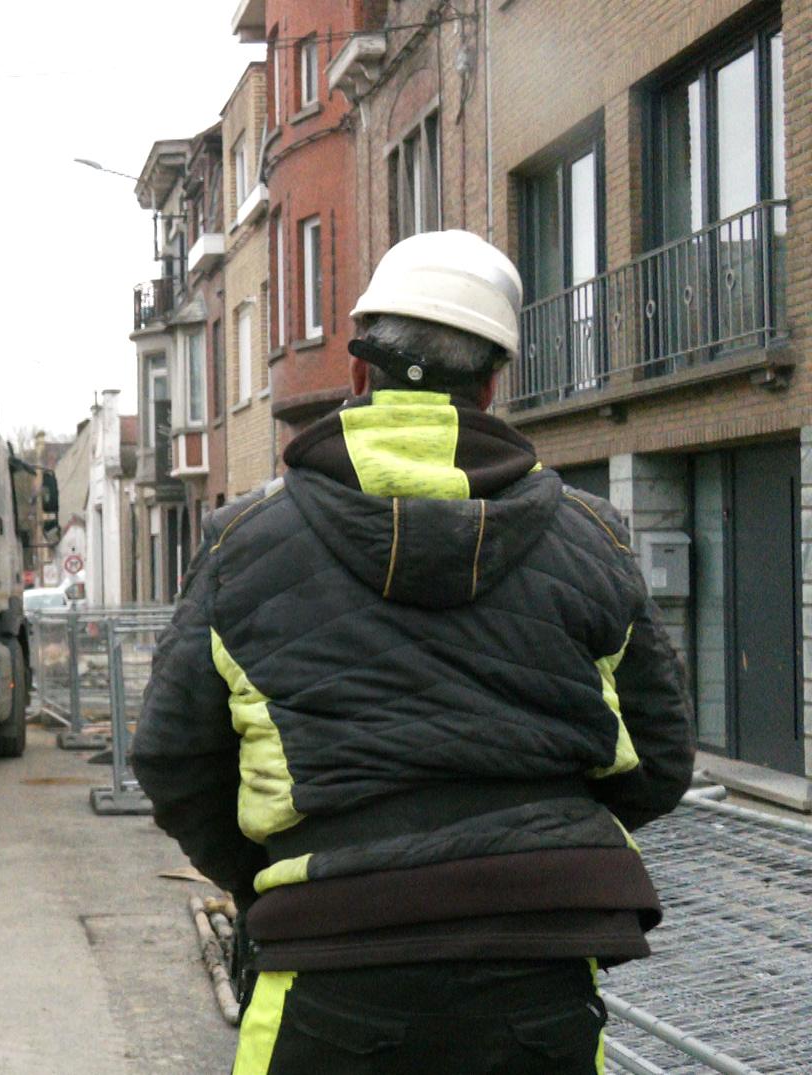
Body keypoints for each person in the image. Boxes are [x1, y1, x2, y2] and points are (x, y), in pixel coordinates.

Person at [131, 231, 695, 1074]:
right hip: (542, 971)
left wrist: (283, 871)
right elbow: (661, 757)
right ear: (493, 385)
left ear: (359, 374)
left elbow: (174, 757)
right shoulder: (593, 541)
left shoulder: (246, 543)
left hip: (328, 967)